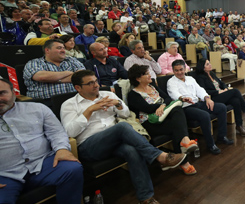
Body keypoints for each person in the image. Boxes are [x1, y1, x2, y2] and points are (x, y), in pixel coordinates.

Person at [60, 70, 186, 204]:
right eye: (90, 83)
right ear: (78, 88)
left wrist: (118, 104)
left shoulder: (107, 94)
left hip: (115, 141)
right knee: (122, 128)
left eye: (96, 81)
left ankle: (146, 198)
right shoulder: (69, 105)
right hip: (90, 145)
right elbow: (70, 132)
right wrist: (90, 110)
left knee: (131, 151)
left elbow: (126, 114)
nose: (96, 85)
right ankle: (160, 156)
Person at [0, 77, 83, 204]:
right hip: (5, 173)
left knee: (73, 169)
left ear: (14, 92)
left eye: (2, 93)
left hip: (41, 162)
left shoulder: (37, 108)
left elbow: (56, 132)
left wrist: (62, 149)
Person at [127, 65, 198, 175]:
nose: (150, 75)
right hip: (150, 123)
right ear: (138, 78)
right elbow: (147, 108)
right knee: (177, 125)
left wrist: (163, 105)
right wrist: (161, 105)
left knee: (177, 111)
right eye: (146, 73)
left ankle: (184, 154)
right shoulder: (133, 94)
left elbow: (168, 98)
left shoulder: (153, 87)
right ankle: (185, 148)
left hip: (164, 117)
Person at [166, 60, 233, 154]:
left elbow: (199, 90)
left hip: (198, 103)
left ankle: (221, 137)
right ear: (173, 71)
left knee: (222, 107)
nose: (179, 72)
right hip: (186, 108)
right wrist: (183, 98)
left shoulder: (190, 78)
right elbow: (174, 94)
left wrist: (207, 98)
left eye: (181, 69)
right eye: (176, 70)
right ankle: (211, 144)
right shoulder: (171, 82)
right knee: (205, 115)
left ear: (185, 69)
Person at [194, 59, 245, 137]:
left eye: (209, 63)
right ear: (202, 67)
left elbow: (222, 83)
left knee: (236, 101)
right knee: (235, 91)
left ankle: (239, 126)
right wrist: (218, 92)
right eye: (207, 64)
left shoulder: (212, 73)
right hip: (213, 98)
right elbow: (203, 91)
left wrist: (225, 88)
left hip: (221, 95)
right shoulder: (200, 77)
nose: (210, 65)